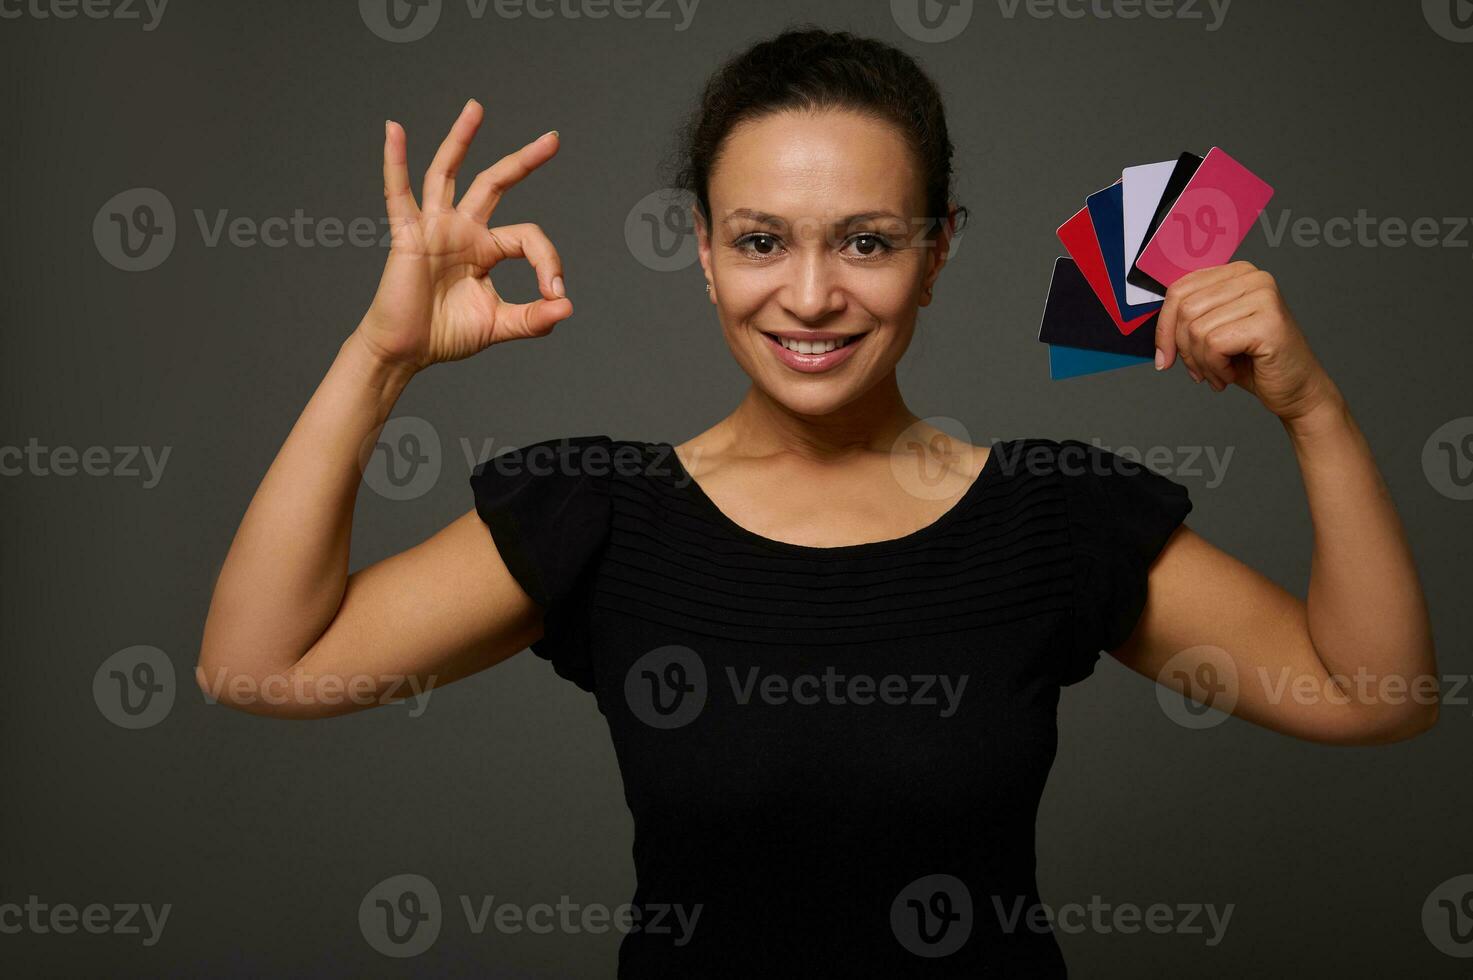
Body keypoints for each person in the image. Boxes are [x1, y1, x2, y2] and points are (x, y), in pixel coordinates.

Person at [197, 26, 1438, 978]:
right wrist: (379, 358)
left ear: (938, 251)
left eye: (865, 241)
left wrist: (1312, 409)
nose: (809, 295)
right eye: (759, 240)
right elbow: (255, 665)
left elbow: (1374, 698)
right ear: (700, 249)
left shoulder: (1050, 517)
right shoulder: (603, 511)